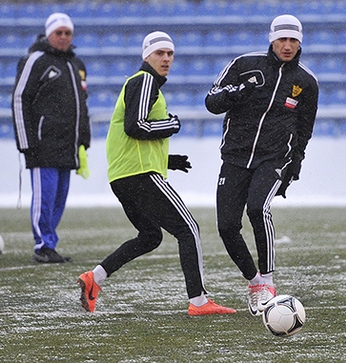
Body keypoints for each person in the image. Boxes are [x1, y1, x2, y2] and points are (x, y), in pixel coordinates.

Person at [77, 31, 236, 316]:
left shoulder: (143, 84)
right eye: (160, 53)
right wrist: (172, 124)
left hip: (124, 176)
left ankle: (95, 278)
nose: (166, 58)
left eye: (170, 54)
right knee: (189, 229)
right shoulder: (144, 81)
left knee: (150, 236)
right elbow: (135, 126)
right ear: (146, 56)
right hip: (139, 175)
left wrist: (167, 159)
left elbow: (134, 135)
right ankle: (199, 301)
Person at [205, 14, 319, 316]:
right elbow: (211, 101)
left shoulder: (306, 82)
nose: (287, 45)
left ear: (300, 43)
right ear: (272, 39)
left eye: (293, 40)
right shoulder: (244, 64)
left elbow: (305, 127)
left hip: (273, 158)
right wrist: (237, 93)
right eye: (282, 39)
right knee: (227, 226)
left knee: (257, 208)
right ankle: (254, 283)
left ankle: (268, 282)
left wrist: (296, 161)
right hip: (235, 156)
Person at [12, 12, 91, 263]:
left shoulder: (76, 64)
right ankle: (42, 245)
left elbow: (82, 104)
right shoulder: (35, 60)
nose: (64, 37)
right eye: (59, 32)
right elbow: (19, 99)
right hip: (42, 144)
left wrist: (83, 138)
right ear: (48, 34)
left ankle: (50, 243)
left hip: (67, 145)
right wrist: (26, 142)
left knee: (59, 198)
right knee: (44, 198)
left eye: (68, 33)